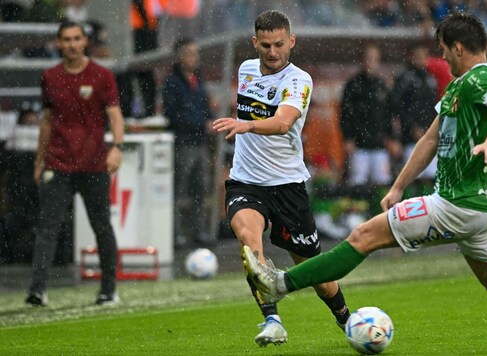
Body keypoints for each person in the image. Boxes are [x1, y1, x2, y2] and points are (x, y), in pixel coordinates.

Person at [242, 12, 487, 352]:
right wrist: (398, 187)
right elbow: (429, 140)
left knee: (362, 238)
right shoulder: (457, 88)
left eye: (443, 51)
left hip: (457, 204)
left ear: (458, 48)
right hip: (480, 211)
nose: (442, 58)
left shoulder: (481, 76)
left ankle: (280, 285)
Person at [212, 10, 350, 347]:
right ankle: (271, 319)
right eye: (266, 45)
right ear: (254, 42)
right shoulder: (245, 69)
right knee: (249, 241)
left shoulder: (299, 79)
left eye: (279, 45)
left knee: (314, 272)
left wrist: (246, 124)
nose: (273, 52)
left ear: (291, 41)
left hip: (287, 185)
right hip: (246, 181)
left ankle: (347, 319)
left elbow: (283, 122)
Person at [25, 21, 125, 307]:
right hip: (58, 162)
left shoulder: (101, 75)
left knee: (101, 226)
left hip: (94, 163)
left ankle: (108, 289)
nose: (71, 44)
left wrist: (116, 148)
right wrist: (39, 159)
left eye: (76, 38)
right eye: (66, 39)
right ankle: (37, 291)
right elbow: (46, 121)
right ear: (58, 43)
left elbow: (115, 116)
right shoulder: (50, 76)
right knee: (47, 228)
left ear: (84, 42)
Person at [162, 37, 214, 248]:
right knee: (178, 189)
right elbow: (173, 115)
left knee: (200, 188)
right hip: (183, 142)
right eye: (189, 53)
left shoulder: (197, 80)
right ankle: (175, 234)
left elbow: (204, 106)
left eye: (196, 53)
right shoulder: (172, 83)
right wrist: (202, 123)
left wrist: (209, 121)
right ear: (179, 56)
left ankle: (198, 231)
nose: (194, 58)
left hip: (200, 142)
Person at [340, 44, 399, 187]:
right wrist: (348, 138)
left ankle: (379, 211)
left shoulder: (382, 85)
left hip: (379, 144)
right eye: (368, 58)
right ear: (362, 60)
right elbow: (345, 114)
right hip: (359, 144)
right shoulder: (353, 85)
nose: (370, 62)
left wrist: (391, 138)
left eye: (374, 59)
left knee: (382, 183)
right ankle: (357, 210)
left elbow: (388, 115)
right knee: (357, 182)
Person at [389, 45, 439, 186]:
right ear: (411, 57)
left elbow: (433, 108)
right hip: (409, 138)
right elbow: (398, 109)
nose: (421, 60)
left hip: (429, 135)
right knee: (411, 177)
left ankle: (428, 208)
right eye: (418, 56)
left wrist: (430, 129)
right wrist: (412, 127)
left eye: (424, 56)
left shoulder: (430, 79)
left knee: (432, 176)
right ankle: (411, 207)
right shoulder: (404, 79)